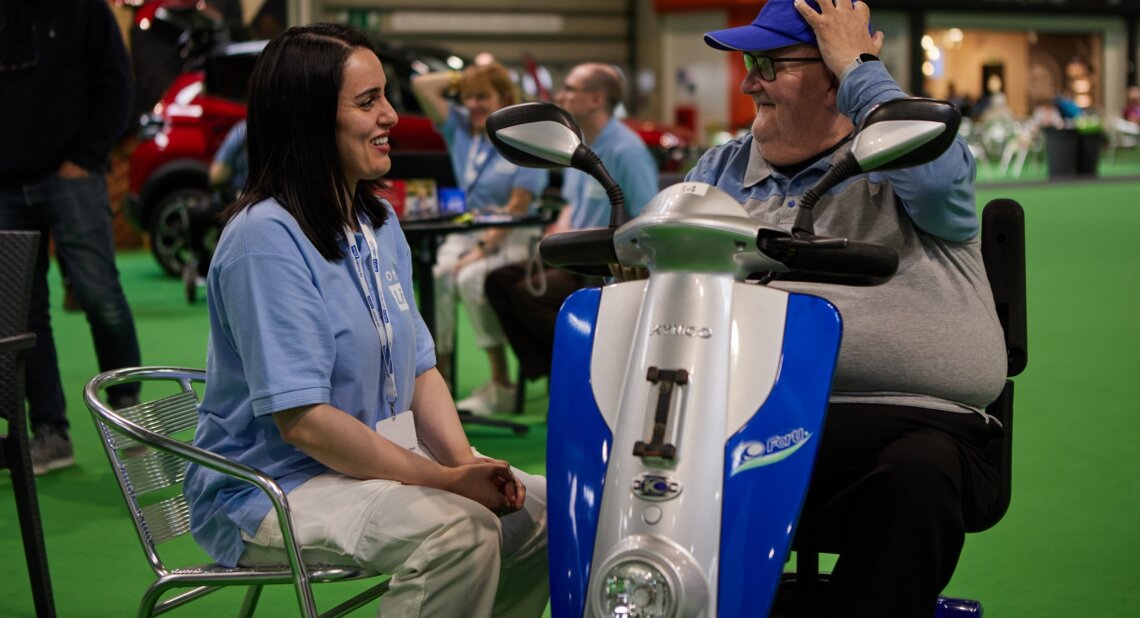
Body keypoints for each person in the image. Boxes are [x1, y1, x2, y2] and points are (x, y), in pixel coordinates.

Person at [182, 24, 548, 617]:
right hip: (272, 489)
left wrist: (461, 461)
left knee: (543, 515)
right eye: (367, 101)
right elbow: (306, 424)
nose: (392, 116)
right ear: (309, 121)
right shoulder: (264, 239)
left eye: (386, 96)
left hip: (364, 468)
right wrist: (441, 482)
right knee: (457, 531)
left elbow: (422, 368)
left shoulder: (376, 221)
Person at [688, 1, 1006, 616]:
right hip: (746, 425)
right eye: (748, 63)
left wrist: (860, 64)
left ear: (835, 79)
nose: (748, 80)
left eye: (769, 64)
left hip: (915, 426)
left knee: (919, 470)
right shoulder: (719, 171)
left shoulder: (907, 156)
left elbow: (939, 182)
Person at [0, 0, 143, 474]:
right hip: (6, 186)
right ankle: (50, 432)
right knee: (22, 315)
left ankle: (127, 411)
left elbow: (118, 86)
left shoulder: (84, 10)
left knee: (99, 294)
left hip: (72, 175)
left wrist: (84, 157)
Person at [484, 62, 658, 384]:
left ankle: (583, 371)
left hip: (603, 261)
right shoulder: (573, 143)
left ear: (595, 99)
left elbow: (649, 213)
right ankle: (555, 369)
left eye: (570, 89)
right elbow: (571, 205)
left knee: (529, 296)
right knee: (497, 281)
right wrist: (558, 231)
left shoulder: (627, 150)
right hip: (572, 253)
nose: (561, 96)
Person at [411, 63, 549, 414]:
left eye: (482, 96)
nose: (472, 104)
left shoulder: (523, 138)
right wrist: (469, 75)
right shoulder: (459, 130)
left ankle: (501, 380)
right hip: (465, 230)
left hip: (513, 234)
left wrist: (484, 248)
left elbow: (519, 205)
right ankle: (440, 377)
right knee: (438, 276)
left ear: (504, 99)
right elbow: (422, 85)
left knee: (473, 277)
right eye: (468, 97)